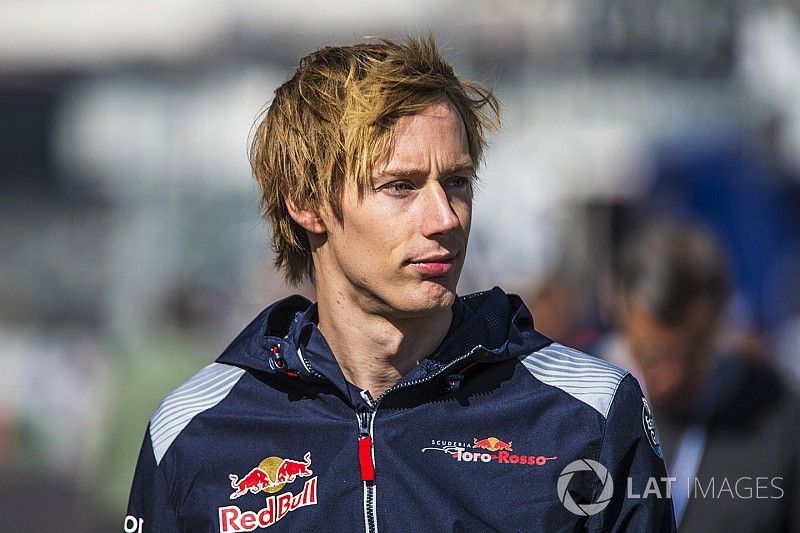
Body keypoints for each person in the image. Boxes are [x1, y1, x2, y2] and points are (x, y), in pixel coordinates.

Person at [127, 35, 674, 532]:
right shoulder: (195, 433)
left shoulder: (588, 412)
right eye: (401, 186)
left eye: (456, 182)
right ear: (307, 204)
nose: (444, 217)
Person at [608, 222, 800, 531]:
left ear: (720, 321)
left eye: (692, 353)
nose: (672, 376)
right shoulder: (589, 411)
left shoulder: (781, 418)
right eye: (653, 357)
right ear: (619, 313)